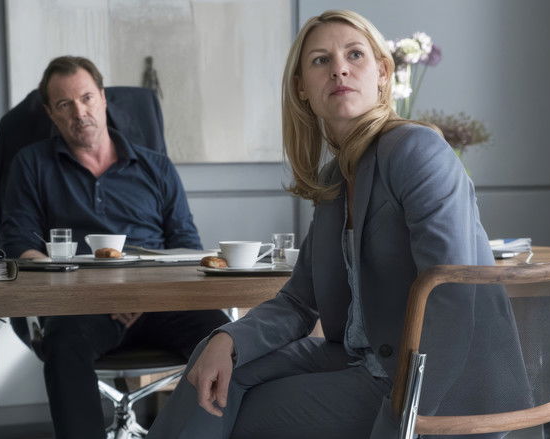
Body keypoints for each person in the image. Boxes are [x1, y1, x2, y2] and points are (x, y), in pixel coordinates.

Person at [147, 10, 530, 439]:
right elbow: (299, 302)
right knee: (216, 360)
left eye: (354, 55)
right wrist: (228, 340)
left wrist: (403, 416)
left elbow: (453, 296)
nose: (339, 69)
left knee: (232, 412)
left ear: (382, 73)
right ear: (302, 88)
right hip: (363, 359)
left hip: (431, 387)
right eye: (320, 60)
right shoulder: (336, 177)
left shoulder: (416, 150)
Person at [0, 56, 230, 439]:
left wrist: (143, 294)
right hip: (82, 307)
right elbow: (21, 246)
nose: (79, 112)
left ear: (103, 98)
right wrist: (87, 293)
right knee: (62, 345)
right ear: (51, 114)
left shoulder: (156, 167)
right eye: (64, 104)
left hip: (160, 301)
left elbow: (186, 246)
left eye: (87, 98)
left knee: (224, 337)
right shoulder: (31, 165)